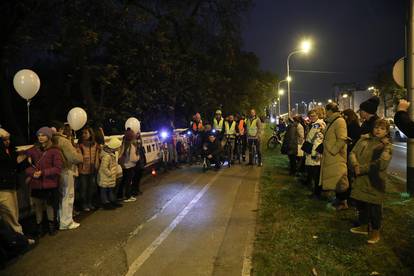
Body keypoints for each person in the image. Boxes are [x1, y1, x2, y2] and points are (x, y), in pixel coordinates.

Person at [349, 119, 392, 244]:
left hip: (375, 181)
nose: (378, 130)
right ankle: (363, 226)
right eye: (377, 127)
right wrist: (355, 164)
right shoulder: (364, 139)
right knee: (361, 203)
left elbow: (381, 164)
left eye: (382, 128)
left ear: (387, 131)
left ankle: (375, 231)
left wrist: (361, 169)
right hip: (360, 179)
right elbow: (353, 153)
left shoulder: (386, 146)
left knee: (374, 207)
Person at [26, 127, 63, 236]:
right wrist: (32, 173)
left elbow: (57, 168)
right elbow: (27, 166)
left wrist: (43, 172)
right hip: (36, 184)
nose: (40, 137)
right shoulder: (32, 150)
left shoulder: (54, 150)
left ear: (49, 136)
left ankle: (51, 226)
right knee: (37, 206)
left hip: (49, 183)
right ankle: (39, 228)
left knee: (49, 205)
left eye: (43, 135)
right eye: (39, 135)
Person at [50, 121, 83, 230]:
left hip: (55, 171)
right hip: (65, 170)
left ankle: (60, 219)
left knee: (60, 197)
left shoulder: (51, 140)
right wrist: (79, 154)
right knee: (68, 196)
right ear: (61, 129)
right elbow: (74, 158)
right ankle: (67, 222)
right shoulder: (63, 141)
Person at [0, 128, 29, 236]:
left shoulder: (8, 151)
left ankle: (17, 239)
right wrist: (17, 159)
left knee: (13, 213)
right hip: (4, 187)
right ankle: (19, 239)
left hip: (10, 185)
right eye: (4, 140)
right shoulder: (2, 152)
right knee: (10, 214)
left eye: (8, 139)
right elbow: (6, 166)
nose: (8, 142)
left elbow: (13, 167)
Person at [320, 103, 349, 201]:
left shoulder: (339, 121)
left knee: (340, 178)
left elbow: (342, 139)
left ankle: (343, 202)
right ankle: (338, 200)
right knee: (334, 177)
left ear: (330, 111)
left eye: (325, 111)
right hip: (330, 155)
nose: (324, 113)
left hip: (335, 156)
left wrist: (333, 150)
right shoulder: (332, 121)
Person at [303, 110, 325, 198]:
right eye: (310, 116)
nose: (312, 117)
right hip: (316, 151)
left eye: (313, 116)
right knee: (316, 173)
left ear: (318, 115)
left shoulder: (317, 124)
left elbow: (309, 137)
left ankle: (317, 193)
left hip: (315, 152)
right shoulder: (319, 123)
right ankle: (316, 191)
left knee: (316, 174)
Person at [77, 127, 100, 211]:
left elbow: (97, 157)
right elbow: (78, 157)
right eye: (83, 133)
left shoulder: (95, 145)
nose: (84, 135)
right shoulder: (80, 145)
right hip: (83, 170)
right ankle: (84, 204)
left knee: (91, 188)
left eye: (86, 133)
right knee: (83, 188)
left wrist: (96, 165)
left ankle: (89, 203)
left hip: (93, 170)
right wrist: (82, 158)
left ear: (91, 134)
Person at [98, 137, 123, 210]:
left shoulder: (111, 154)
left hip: (109, 177)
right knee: (104, 190)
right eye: (118, 147)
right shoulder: (107, 156)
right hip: (105, 177)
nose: (118, 149)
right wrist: (110, 174)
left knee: (110, 190)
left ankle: (111, 201)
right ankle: (105, 203)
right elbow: (104, 167)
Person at [118, 129, 139, 202]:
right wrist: (138, 157)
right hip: (129, 165)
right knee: (128, 181)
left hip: (124, 165)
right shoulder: (131, 145)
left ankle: (120, 195)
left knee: (124, 180)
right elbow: (133, 158)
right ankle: (128, 196)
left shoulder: (124, 144)